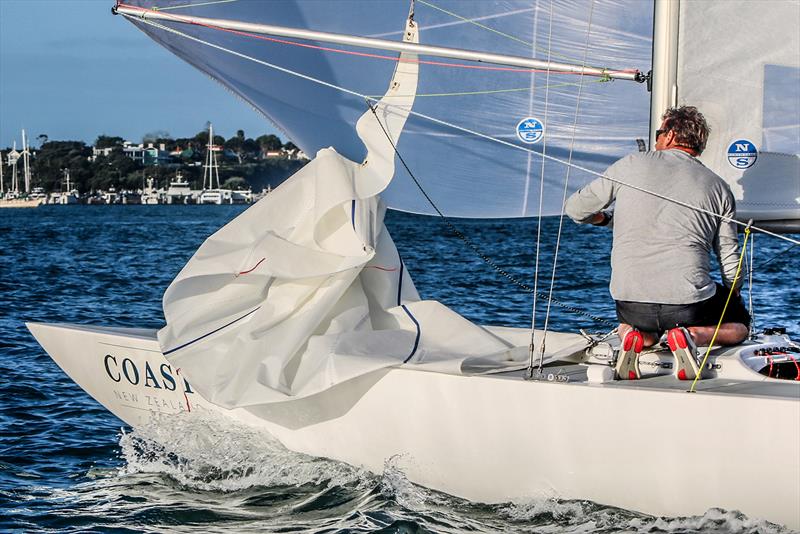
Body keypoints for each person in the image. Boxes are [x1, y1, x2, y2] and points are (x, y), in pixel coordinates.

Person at [565, 106, 750, 381]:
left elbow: (576, 209)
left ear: (671, 134)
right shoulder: (719, 187)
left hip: (630, 303)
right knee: (740, 324)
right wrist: (733, 296)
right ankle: (691, 335)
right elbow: (731, 265)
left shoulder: (630, 164)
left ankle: (635, 337)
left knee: (632, 321)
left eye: (658, 133)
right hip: (689, 307)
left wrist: (605, 219)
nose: (655, 141)